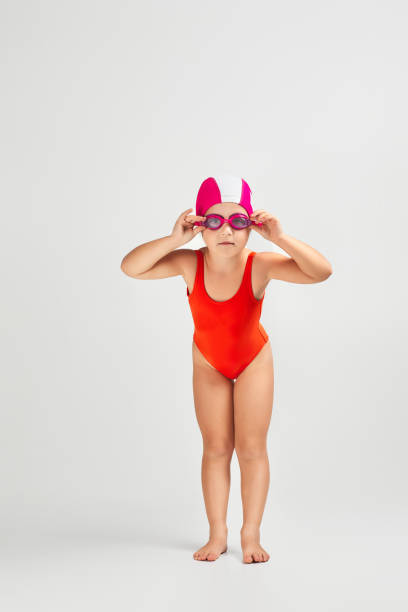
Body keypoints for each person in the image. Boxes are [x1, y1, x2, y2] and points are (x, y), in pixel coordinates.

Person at [120, 174, 333, 563]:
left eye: (238, 222)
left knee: (251, 448)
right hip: (208, 363)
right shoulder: (189, 262)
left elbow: (321, 272)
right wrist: (173, 240)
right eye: (214, 221)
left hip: (253, 360)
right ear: (199, 227)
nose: (226, 231)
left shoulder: (260, 264)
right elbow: (131, 267)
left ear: (251, 228)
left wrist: (280, 238)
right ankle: (217, 534)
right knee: (216, 448)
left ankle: (250, 534)